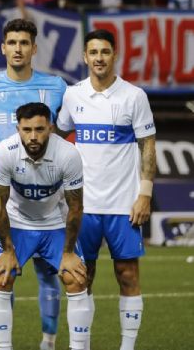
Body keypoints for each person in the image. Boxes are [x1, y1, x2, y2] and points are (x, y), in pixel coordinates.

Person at [56, 29, 156, 350]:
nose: (99, 58)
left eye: (105, 52)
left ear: (115, 55)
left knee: (127, 276)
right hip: (82, 205)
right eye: (93, 52)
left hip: (123, 204)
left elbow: (148, 145)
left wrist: (145, 193)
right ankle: (80, 346)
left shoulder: (134, 96)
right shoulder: (73, 95)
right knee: (80, 278)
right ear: (85, 57)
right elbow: (58, 137)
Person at [0, 18, 67, 350]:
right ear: (2, 48)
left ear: (34, 48)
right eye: (11, 42)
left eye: (24, 43)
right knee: (1, 274)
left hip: (45, 198)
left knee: (48, 274)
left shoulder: (56, 86)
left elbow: (64, 134)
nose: (17, 48)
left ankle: (49, 342)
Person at [0, 102, 89, 350]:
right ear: (18, 129)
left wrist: (67, 253)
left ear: (51, 128)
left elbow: (75, 207)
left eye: (39, 129)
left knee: (76, 278)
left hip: (55, 224)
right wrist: (8, 251)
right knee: (0, 278)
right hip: (18, 223)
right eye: (26, 129)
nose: (33, 136)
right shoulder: (4, 152)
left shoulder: (68, 154)